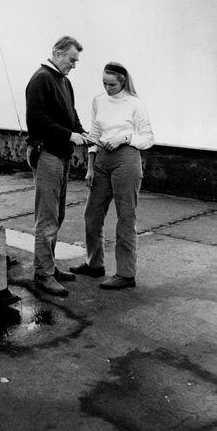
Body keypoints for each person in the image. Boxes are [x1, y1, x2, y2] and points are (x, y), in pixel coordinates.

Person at [70, 62, 154, 289]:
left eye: (112, 84)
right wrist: (90, 165)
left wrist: (125, 138)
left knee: (125, 217)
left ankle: (126, 275)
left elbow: (147, 138)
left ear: (123, 82)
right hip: (102, 160)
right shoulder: (98, 100)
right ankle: (94, 264)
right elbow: (94, 133)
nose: (107, 88)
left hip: (126, 159)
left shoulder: (135, 104)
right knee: (92, 214)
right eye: (104, 83)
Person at [25, 36, 91, 297]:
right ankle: (43, 274)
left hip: (60, 155)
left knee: (58, 214)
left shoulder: (64, 81)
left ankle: (49, 266)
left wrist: (82, 132)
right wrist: (67, 135)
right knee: (47, 218)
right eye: (71, 59)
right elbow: (36, 120)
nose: (74, 65)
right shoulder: (41, 79)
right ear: (57, 52)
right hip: (48, 154)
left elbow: (71, 114)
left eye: (76, 60)